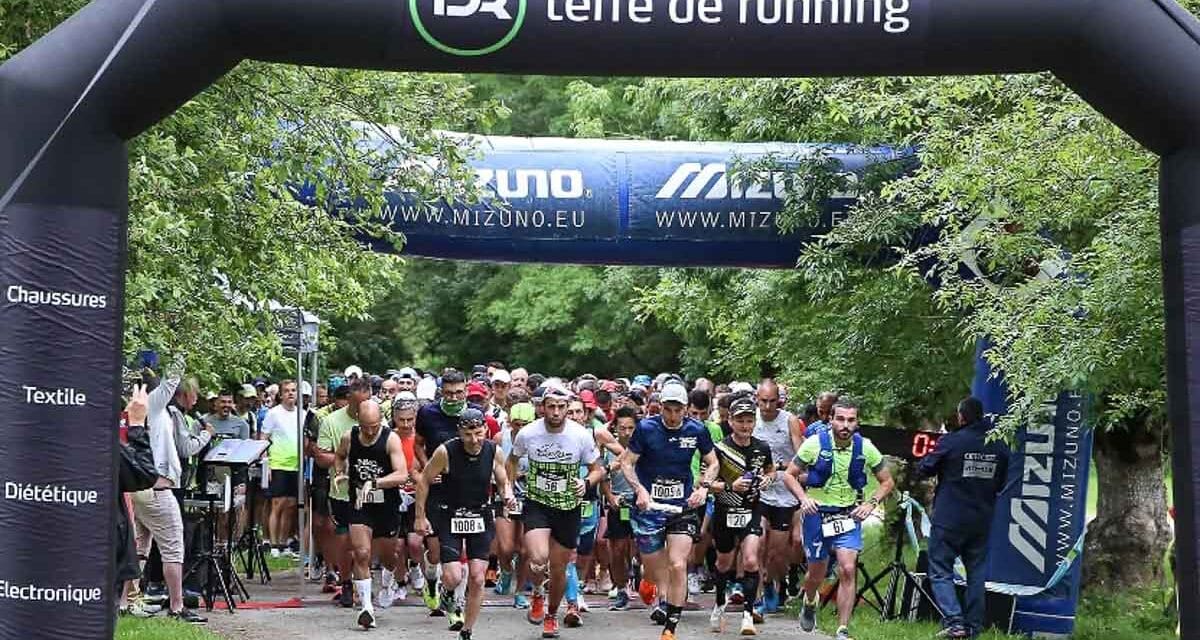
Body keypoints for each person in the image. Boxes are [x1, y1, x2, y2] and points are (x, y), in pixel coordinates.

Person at [785, 400, 895, 640]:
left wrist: (870, 503)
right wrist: (804, 499)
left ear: (857, 422)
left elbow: (887, 481)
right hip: (817, 514)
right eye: (841, 419)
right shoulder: (814, 444)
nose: (846, 425)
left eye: (851, 420)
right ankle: (809, 600)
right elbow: (789, 475)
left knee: (847, 568)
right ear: (831, 419)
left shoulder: (866, 447)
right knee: (817, 573)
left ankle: (842, 629)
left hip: (848, 514)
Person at [620, 381, 719, 640]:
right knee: (655, 567)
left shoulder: (697, 430)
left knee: (677, 564)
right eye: (668, 409)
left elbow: (713, 462)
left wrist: (704, 488)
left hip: (682, 505)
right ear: (660, 407)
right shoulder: (645, 428)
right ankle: (648, 580)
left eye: (678, 410)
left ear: (686, 408)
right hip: (649, 506)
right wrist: (639, 490)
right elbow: (627, 463)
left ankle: (670, 627)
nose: (673, 415)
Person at [507, 386, 604, 639]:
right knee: (538, 558)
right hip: (537, 503)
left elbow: (598, 469)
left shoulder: (580, 435)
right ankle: (537, 592)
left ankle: (551, 615)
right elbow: (511, 461)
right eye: (551, 406)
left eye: (561, 407)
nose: (556, 412)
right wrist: (508, 490)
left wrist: (586, 482)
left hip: (568, 507)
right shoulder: (528, 433)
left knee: (559, 568)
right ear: (542, 407)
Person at [416, 408, 516, 640]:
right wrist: (420, 516)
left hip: (480, 515)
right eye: (468, 434)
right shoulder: (445, 451)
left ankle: (467, 630)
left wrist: (507, 495)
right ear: (460, 432)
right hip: (451, 515)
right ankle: (447, 592)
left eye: (479, 433)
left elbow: (503, 481)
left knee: (478, 577)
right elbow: (424, 481)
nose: (474, 440)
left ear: (486, 430)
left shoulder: (494, 451)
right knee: (452, 576)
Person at [917, 397, 1009, 639]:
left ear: (961, 417)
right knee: (976, 575)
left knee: (940, 569)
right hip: (981, 520)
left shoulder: (952, 441)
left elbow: (925, 468)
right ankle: (974, 628)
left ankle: (955, 623)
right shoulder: (998, 445)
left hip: (949, 519)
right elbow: (1002, 482)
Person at [130, 361, 206, 623]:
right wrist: (180, 350)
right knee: (173, 548)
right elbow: (171, 381)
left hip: (141, 489)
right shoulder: (152, 406)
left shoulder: (137, 411)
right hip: (158, 490)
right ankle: (176, 605)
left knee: (140, 547)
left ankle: (128, 600)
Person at [333, 400, 409, 629]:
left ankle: (391, 579)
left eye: (374, 426)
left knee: (389, 557)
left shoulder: (390, 438)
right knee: (362, 552)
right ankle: (367, 607)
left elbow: (402, 474)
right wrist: (339, 472)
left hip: (386, 504)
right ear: (358, 421)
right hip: (359, 502)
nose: (369, 431)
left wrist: (375, 483)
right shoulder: (350, 436)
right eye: (365, 426)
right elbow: (339, 455)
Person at [707, 394, 775, 636]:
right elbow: (705, 482)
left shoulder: (762, 447)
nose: (745, 426)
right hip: (725, 510)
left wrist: (768, 479)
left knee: (750, 560)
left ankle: (748, 614)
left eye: (749, 421)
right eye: (740, 421)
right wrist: (729, 486)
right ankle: (718, 604)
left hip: (752, 509)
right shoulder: (720, 449)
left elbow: (770, 470)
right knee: (723, 563)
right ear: (731, 422)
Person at [416, 369, 472, 614]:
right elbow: (418, 444)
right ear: (441, 392)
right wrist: (429, 466)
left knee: (461, 550)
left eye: (459, 393)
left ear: (466, 391)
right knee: (437, 551)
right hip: (437, 488)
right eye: (449, 393)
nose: (454, 398)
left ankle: (456, 602)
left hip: (464, 490)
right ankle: (430, 578)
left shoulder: (473, 414)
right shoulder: (428, 413)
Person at [317, 378, 374, 606]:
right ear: (348, 399)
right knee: (344, 539)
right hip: (341, 491)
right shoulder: (331, 422)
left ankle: (364, 583)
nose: (363, 411)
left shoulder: (378, 418)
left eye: (366, 404)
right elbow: (321, 457)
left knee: (363, 544)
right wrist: (347, 461)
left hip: (370, 492)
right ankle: (346, 581)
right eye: (358, 405)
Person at [750, 379, 805, 614]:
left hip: (784, 491)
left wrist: (780, 467)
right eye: (764, 401)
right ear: (757, 399)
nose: (768, 406)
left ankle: (774, 582)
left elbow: (802, 457)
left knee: (776, 552)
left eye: (773, 401)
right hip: (759, 491)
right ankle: (759, 593)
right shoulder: (750, 419)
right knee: (759, 542)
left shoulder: (789, 421)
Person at [494, 401, 535, 608]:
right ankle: (506, 571)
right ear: (510, 422)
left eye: (525, 424)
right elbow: (493, 467)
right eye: (516, 424)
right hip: (505, 496)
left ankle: (520, 592)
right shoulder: (501, 438)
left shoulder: (538, 440)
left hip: (531, 499)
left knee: (526, 550)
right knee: (507, 547)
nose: (520, 429)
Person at [260, 379, 306, 557]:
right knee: (277, 504)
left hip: (296, 465)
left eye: (294, 390)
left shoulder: (302, 414)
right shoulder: (273, 413)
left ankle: (283, 542)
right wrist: (267, 463)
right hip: (278, 463)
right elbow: (264, 437)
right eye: (287, 391)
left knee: (291, 505)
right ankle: (272, 543)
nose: (290, 394)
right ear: (281, 394)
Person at [601, 406, 639, 611]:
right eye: (622, 428)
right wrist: (610, 496)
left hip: (641, 503)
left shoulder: (644, 447)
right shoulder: (607, 448)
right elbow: (603, 477)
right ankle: (622, 588)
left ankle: (643, 577)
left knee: (643, 547)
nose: (626, 432)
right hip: (619, 503)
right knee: (617, 549)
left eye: (631, 428)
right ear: (615, 427)